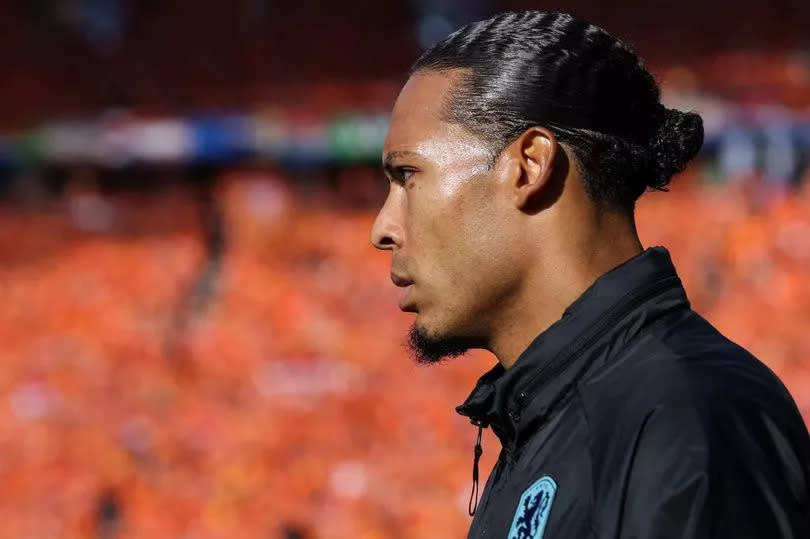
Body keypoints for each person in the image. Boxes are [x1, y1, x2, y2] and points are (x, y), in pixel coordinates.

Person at [370, 10, 810, 539]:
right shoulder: (548, 416)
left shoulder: (688, 415)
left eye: (408, 176)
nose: (382, 228)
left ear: (529, 165)